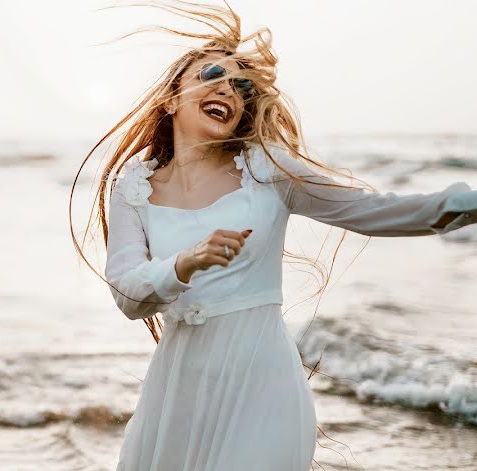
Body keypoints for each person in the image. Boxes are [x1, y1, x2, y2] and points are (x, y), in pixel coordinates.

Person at [71, 3, 477, 470]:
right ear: (170, 99)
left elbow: (374, 210)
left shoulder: (269, 171)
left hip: (263, 382)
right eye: (212, 74)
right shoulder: (135, 187)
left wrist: (467, 204)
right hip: (177, 392)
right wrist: (184, 263)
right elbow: (127, 294)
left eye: (241, 85)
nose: (229, 87)